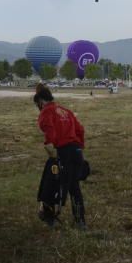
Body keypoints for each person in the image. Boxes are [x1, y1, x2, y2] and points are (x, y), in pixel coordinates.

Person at [33, 83, 87, 228]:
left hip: (63, 151)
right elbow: (80, 130)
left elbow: (50, 131)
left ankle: (48, 215)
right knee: (74, 187)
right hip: (76, 152)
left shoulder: (46, 112)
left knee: (53, 184)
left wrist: (50, 147)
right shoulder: (66, 111)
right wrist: (80, 148)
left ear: (40, 101)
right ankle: (80, 221)